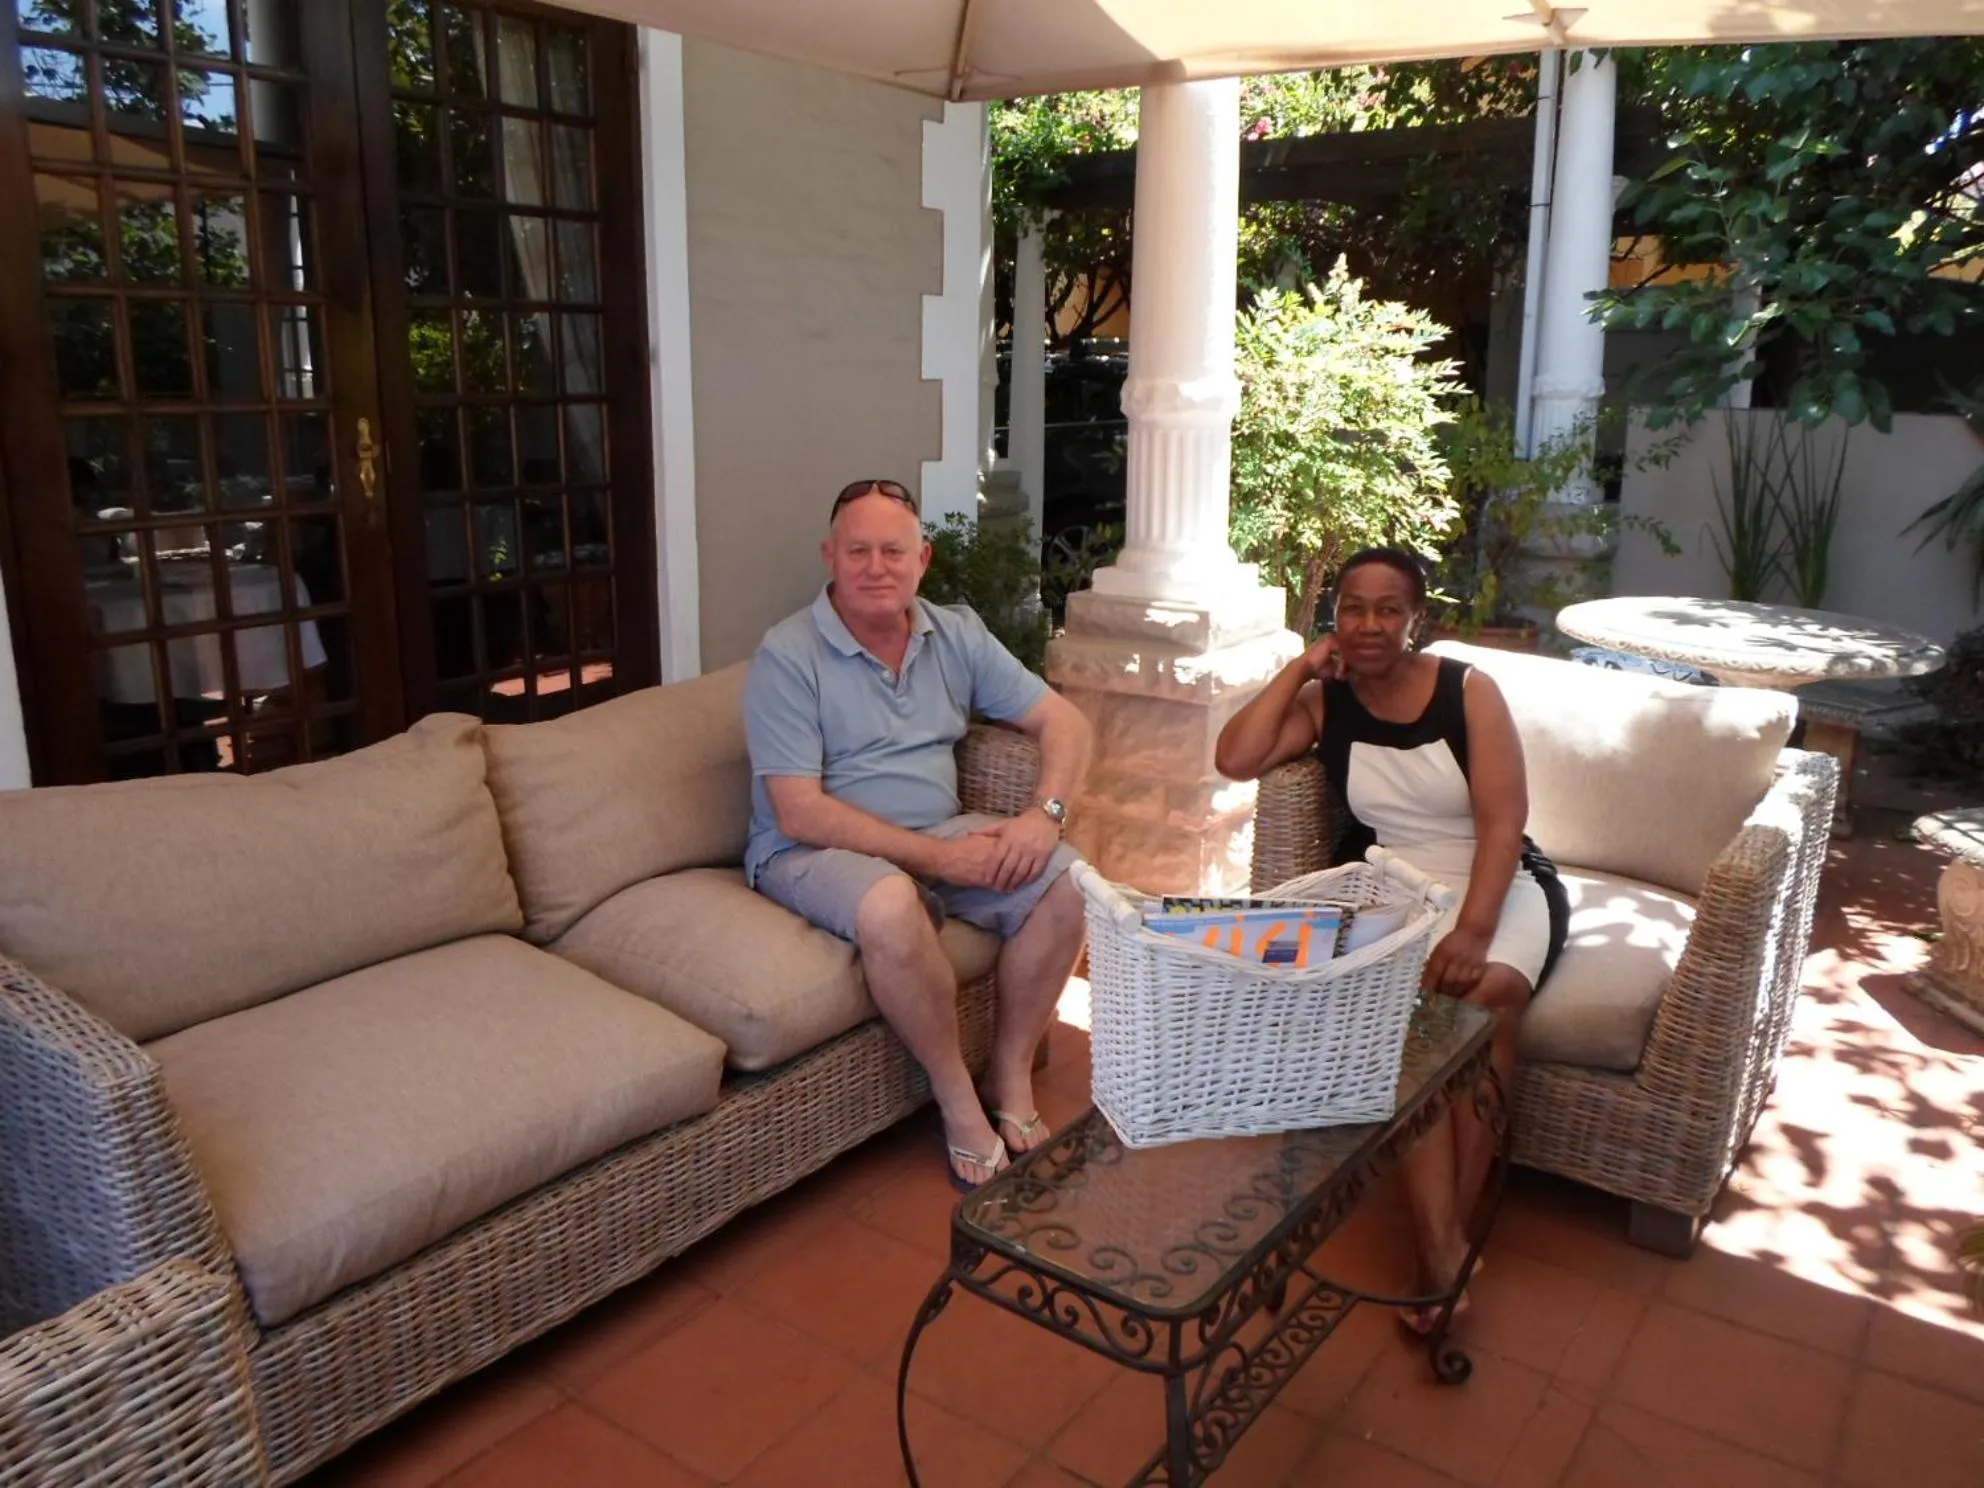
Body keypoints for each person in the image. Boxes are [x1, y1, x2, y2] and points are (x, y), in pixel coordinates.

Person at [1213, 546, 1567, 1328]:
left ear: (1417, 619)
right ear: (1335, 618)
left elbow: (1505, 823)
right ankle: (1443, 1253)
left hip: (1497, 884)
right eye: (1352, 608)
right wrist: (1300, 670)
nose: (1369, 623)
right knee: (1419, 1034)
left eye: (1387, 609)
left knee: (1492, 1001)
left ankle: (1444, 1244)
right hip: (1397, 894)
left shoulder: (1467, 691)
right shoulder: (1328, 704)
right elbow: (1233, 758)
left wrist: (1475, 932)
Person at [744, 478, 1093, 1190]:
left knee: (1069, 881)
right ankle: (956, 1099)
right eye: (859, 550)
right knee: (889, 904)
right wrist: (940, 860)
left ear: (923, 558)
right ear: (830, 557)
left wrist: (1042, 816)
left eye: (894, 551)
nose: (877, 567)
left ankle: (1011, 1073)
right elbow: (799, 812)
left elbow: (1067, 722)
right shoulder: (787, 655)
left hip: (935, 825)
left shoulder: (954, 632)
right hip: (811, 851)